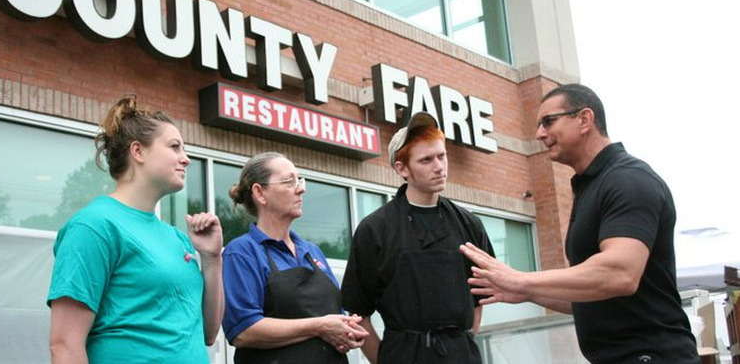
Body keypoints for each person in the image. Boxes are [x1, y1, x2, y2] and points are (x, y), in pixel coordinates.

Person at [460, 83, 699, 364]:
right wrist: (523, 291)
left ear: (584, 119)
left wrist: (522, 280)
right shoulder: (591, 186)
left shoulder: (628, 180)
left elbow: (620, 273)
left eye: (548, 121)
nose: (539, 134)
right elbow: (588, 297)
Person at [47, 95, 225, 364]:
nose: (186, 159)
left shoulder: (178, 239)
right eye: (175, 147)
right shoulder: (93, 227)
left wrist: (212, 258)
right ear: (138, 151)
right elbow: (64, 346)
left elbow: (208, 334)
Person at [341, 112, 495, 364]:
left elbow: (481, 295)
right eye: (426, 160)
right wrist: (385, 359)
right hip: (403, 355)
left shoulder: (469, 224)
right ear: (402, 168)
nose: (439, 166)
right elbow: (358, 313)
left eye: (441, 156)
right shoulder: (375, 230)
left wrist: (463, 341)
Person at [222, 152, 369, 363]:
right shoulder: (243, 252)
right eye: (289, 181)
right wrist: (320, 326)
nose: (301, 188)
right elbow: (243, 330)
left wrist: (346, 328)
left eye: (299, 180)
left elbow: (335, 313)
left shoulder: (313, 252)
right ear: (260, 193)